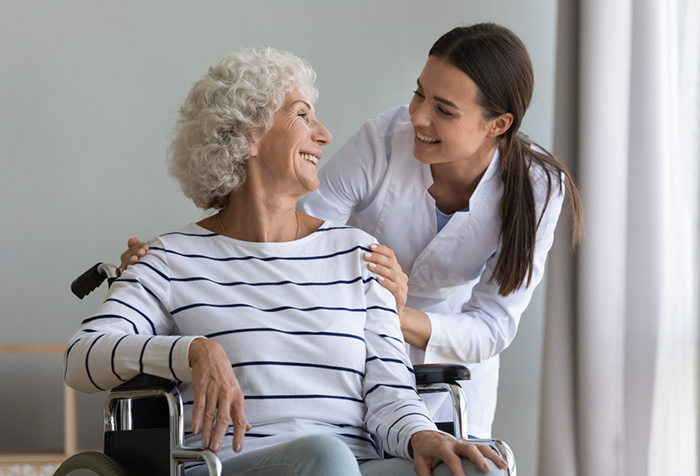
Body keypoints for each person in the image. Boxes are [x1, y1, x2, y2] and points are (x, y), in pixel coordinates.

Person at [119, 23, 584, 439]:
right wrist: (164, 269)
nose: (418, 116)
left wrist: (390, 313)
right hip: (354, 345)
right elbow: (293, 231)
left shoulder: (539, 189)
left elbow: (492, 325)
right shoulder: (384, 140)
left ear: (496, 125)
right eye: (419, 93)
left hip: (443, 349)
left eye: (443, 109)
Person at [65, 48, 508, 476]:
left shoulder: (358, 254)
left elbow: (390, 393)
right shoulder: (170, 259)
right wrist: (192, 351)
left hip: (358, 462)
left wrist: (423, 437)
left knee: (475, 469)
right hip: (235, 465)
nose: (324, 134)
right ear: (245, 134)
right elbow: (81, 357)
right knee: (326, 459)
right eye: (302, 114)